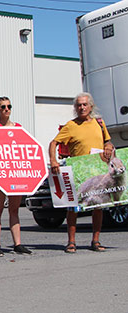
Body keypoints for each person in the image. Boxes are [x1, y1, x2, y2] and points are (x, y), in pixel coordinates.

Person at [49, 92, 113, 253]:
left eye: (84, 104)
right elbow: (54, 143)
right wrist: (53, 160)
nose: (81, 107)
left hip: (98, 169)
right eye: (78, 105)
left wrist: (108, 147)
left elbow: (108, 141)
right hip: (78, 170)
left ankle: (96, 241)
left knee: (98, 206)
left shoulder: (99, 123)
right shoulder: (71, 125)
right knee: (73, 208)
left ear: (91, 106)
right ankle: (71, 242)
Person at [0, 97, 32, 256]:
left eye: (9, 106)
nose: (6, 109)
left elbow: (24, 148)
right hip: (0, 173)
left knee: (14, 209)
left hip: (15, 173)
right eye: (3, 107)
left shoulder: (18, 127)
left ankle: (17, 244)